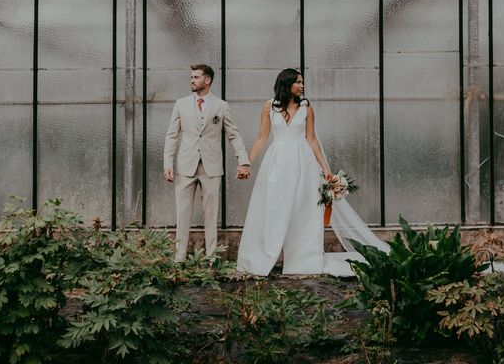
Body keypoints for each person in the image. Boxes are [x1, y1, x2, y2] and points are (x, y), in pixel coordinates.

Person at [236, 68, 389, 276]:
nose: (302, 85)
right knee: (272, 208)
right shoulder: (269, 107)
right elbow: (262, 137)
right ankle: (261, 258)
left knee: (304, 210)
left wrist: (325, 169)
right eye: (298, 82)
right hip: (277, 164)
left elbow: (312, 139)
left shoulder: (307, 107)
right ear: (286, 83)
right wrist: (246, 163)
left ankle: (302, 260)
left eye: (302, 82)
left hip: (304, 164)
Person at [164, 64, 251, 262]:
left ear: (207, 80)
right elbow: (171, 135)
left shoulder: (221, 106)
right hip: (185, 165)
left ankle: (211, 260)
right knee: (182, 214)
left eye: (196, 77)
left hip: (211, 167)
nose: (191, 80)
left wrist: (243, 161)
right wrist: (167, 163)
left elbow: (233, 135)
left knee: (211, 215)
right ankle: (179, 259)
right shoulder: (181, 104)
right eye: (191, 77)